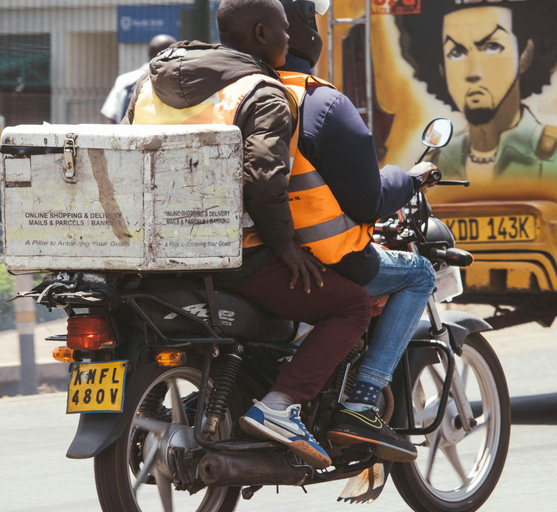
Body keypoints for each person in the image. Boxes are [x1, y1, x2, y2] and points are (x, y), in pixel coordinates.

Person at [124, 0, 372, 470]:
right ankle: (280, 407)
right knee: (352, 304)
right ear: (261, 34)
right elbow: (263, 179)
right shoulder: (263, 93)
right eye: (283, 31)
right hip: (235, 257)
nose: (289, 40)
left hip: (152, 253)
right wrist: (287, 249)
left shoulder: (149, 85)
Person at [275, 0, 437, 462]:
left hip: (260, 252)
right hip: (328, 256)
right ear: (304, 34)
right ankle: (361, 401)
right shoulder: (320, 103)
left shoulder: (232, 97)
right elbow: (369, 200)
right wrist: (410, 176)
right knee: (418, 273)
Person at [396, 0, 557, 198]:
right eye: (456, 52)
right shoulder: (435, 164)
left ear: (525, 54)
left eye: (492, 46)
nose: (473, 71)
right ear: (441, 68)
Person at [101, 34, 177, 124]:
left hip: (128, 135)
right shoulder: (178, 81)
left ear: (149, 54)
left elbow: (112, 116)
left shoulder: (125, 80)